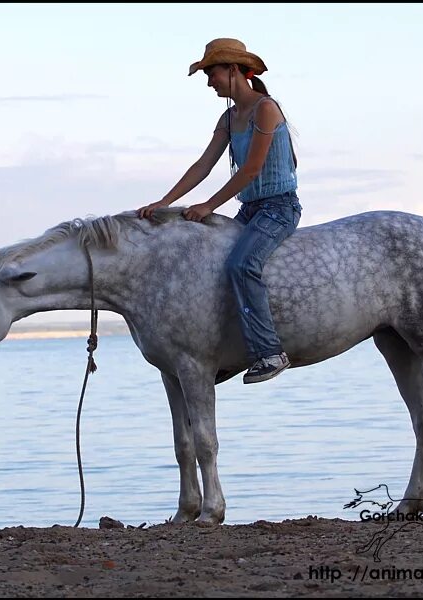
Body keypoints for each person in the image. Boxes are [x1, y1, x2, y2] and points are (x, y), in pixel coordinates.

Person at [138, 38, 301, 384]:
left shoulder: (265, 108)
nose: (209, 81)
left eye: (211, 73)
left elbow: (251, 170)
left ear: (233, 70)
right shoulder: (229, 118)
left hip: (278, 208)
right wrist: (165, 202)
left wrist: (209, 206)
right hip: (250, 208)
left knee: (242, 264)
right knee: (211, 265)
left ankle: (269, 351)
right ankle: (230, 349)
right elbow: (203, 165)